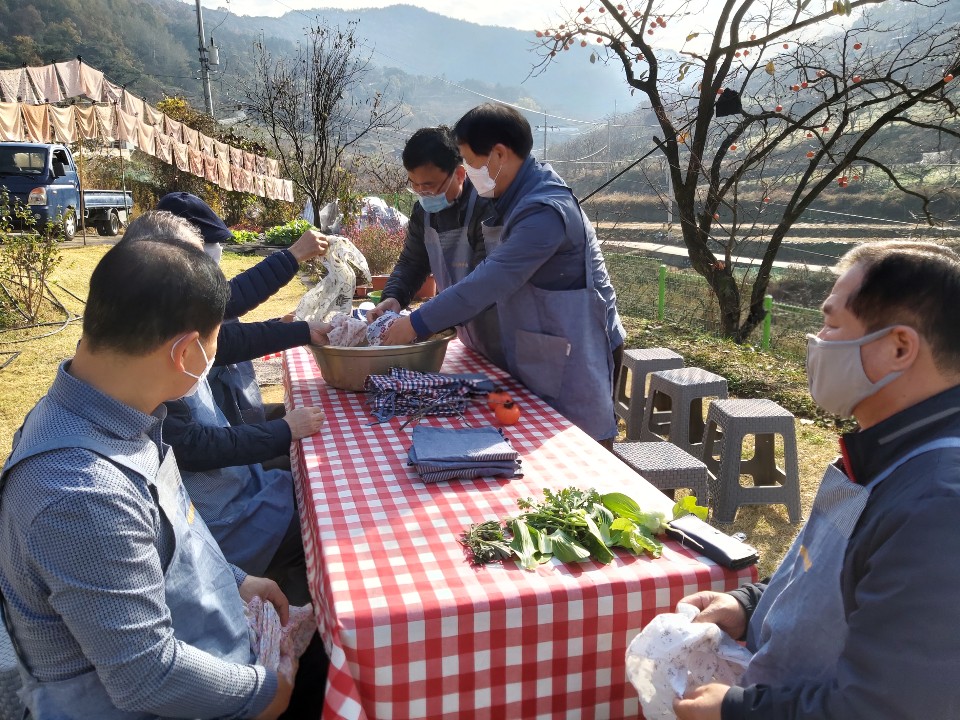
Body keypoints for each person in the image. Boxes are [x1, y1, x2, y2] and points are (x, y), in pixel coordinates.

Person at [0, 239, 294, 719]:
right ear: (185, 353)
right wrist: (267, 691)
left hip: (195, 643)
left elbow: (167, 537)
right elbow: (147, 677)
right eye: (215, 343)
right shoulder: (77, 492)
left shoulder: (114, 412)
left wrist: (237, 580)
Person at [674, 241, 960, 720]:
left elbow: (890, 707)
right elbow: (825, 569)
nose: (817, 341)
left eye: (830, 323)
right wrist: (749, 602)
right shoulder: (882, 450)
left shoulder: (938, 506)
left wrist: (737, 711)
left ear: (899, 347)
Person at [381, 103, 625, 444]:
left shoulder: (544, 211)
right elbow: (417, 263)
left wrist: (417, 323)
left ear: (498, 155)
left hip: (576, 352)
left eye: (468, 161)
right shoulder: (510, 197)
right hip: (541, 344)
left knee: (582, 458)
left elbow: (489, 281)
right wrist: (396, 297)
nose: (466, 169)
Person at [121, 211, 327, 606]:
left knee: (314, 480)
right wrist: (284, 430)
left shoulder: (165, 320)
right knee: (324, 520)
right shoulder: (152, 358)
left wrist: (301, 331)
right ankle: (295, 615)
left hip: (239, 489)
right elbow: (195, 446)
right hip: (225, 519)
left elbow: (231, 339)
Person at [366, 126, 503, 364]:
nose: (422, 193)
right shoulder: (423, 211)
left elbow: (484, 284)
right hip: (469, 337)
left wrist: (419, 323)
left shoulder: (487, 209)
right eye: (414, 185)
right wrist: (394, 297)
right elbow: (412, 262)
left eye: (429, 186)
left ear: (459, 175)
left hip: (502, 333)